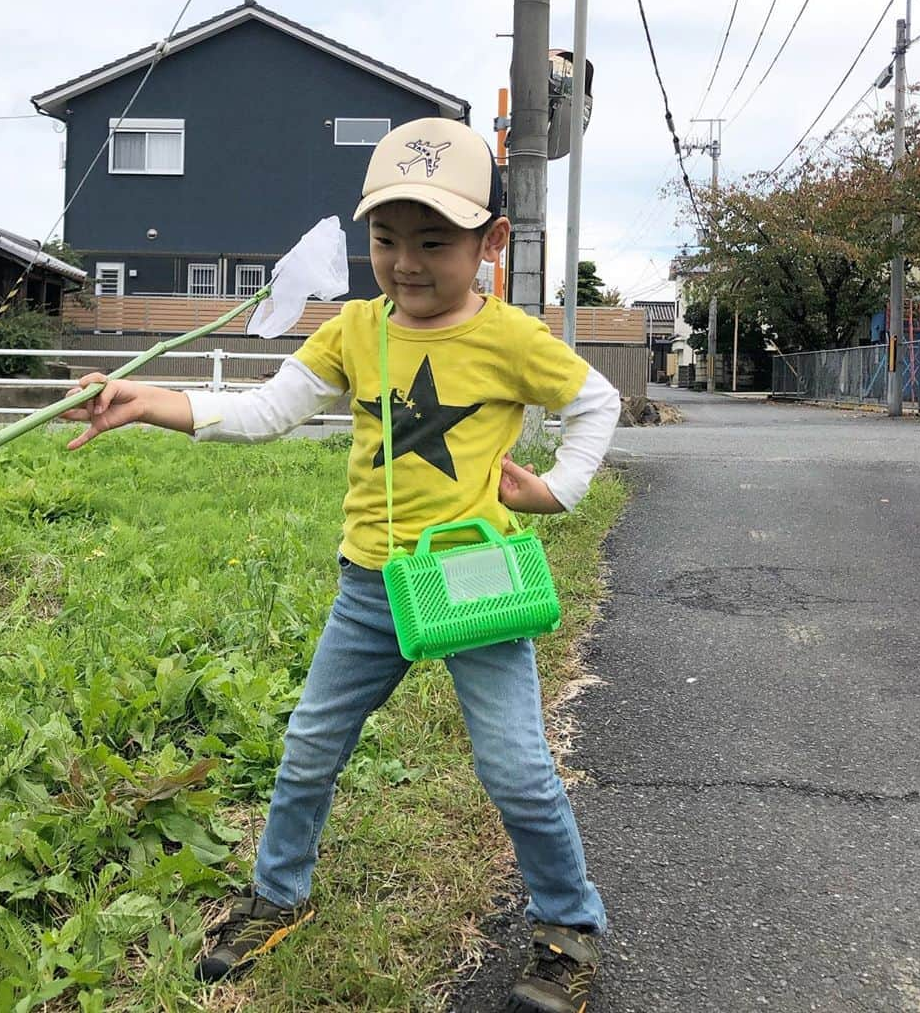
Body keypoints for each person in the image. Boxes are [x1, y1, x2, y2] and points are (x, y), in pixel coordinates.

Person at [63, 117, 621, 1013]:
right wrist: (151, 401)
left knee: (517, 770)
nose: (406, 263)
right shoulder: (356, 331)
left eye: (434, 242)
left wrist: (560, 489)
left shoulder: (513, 337)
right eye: (386, 239)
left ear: (492, 241)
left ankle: (569, 927)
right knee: (310, 746)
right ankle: (276, 897)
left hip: (473, 573)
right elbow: (263, 412)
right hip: (370, 583)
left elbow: (599, 401)